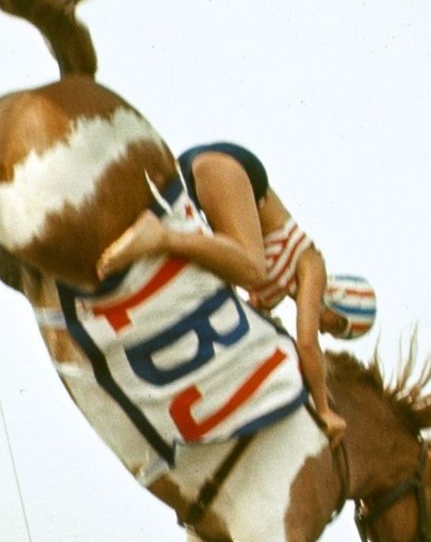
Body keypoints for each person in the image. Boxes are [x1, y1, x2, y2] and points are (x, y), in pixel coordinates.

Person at [96, 141, 376, 447]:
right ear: (341, 297)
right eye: (336, 324)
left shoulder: (270, 296)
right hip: (227, 170)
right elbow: (308, 344)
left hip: (197, 186)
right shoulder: (312, 265)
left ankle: (144, 238)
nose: (326, 329)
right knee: (253, 268)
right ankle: (160, 237)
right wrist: (324, 409)